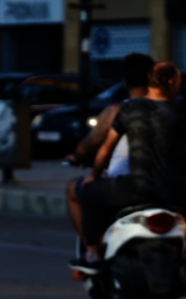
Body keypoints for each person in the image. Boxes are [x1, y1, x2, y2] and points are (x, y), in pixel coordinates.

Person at [74, 62, 186, 269]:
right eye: (179, 83)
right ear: (170, 83)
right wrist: (181, 184)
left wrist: (93, 176)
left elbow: (105, 150)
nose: (179, 87)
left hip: (132, 189)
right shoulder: (180, 113)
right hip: (171, 190)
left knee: (90, 193)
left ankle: (93, 251)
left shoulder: (129, 109)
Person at [66, 53, 154, 243]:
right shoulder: (170, 112)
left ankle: (92, 250)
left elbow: (92, 148)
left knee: (76, 189)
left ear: (124, 82)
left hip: (124, 186)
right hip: (163, 186)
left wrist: (78, 157)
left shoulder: (114, 112)